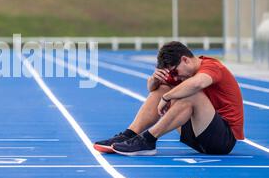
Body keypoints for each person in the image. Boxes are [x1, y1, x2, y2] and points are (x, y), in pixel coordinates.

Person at [93, 41, 244, 156]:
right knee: (163, 88)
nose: (176, 76)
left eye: (176, 72)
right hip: (197, 137)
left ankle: (148, 140)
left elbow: (198, 83)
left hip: (222, 140)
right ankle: (129, 135)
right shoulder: (183, 72)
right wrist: (154, 80)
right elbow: (153, 90)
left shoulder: (212, 66)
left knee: (191, 93)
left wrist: (167, 97)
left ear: (185, 60)